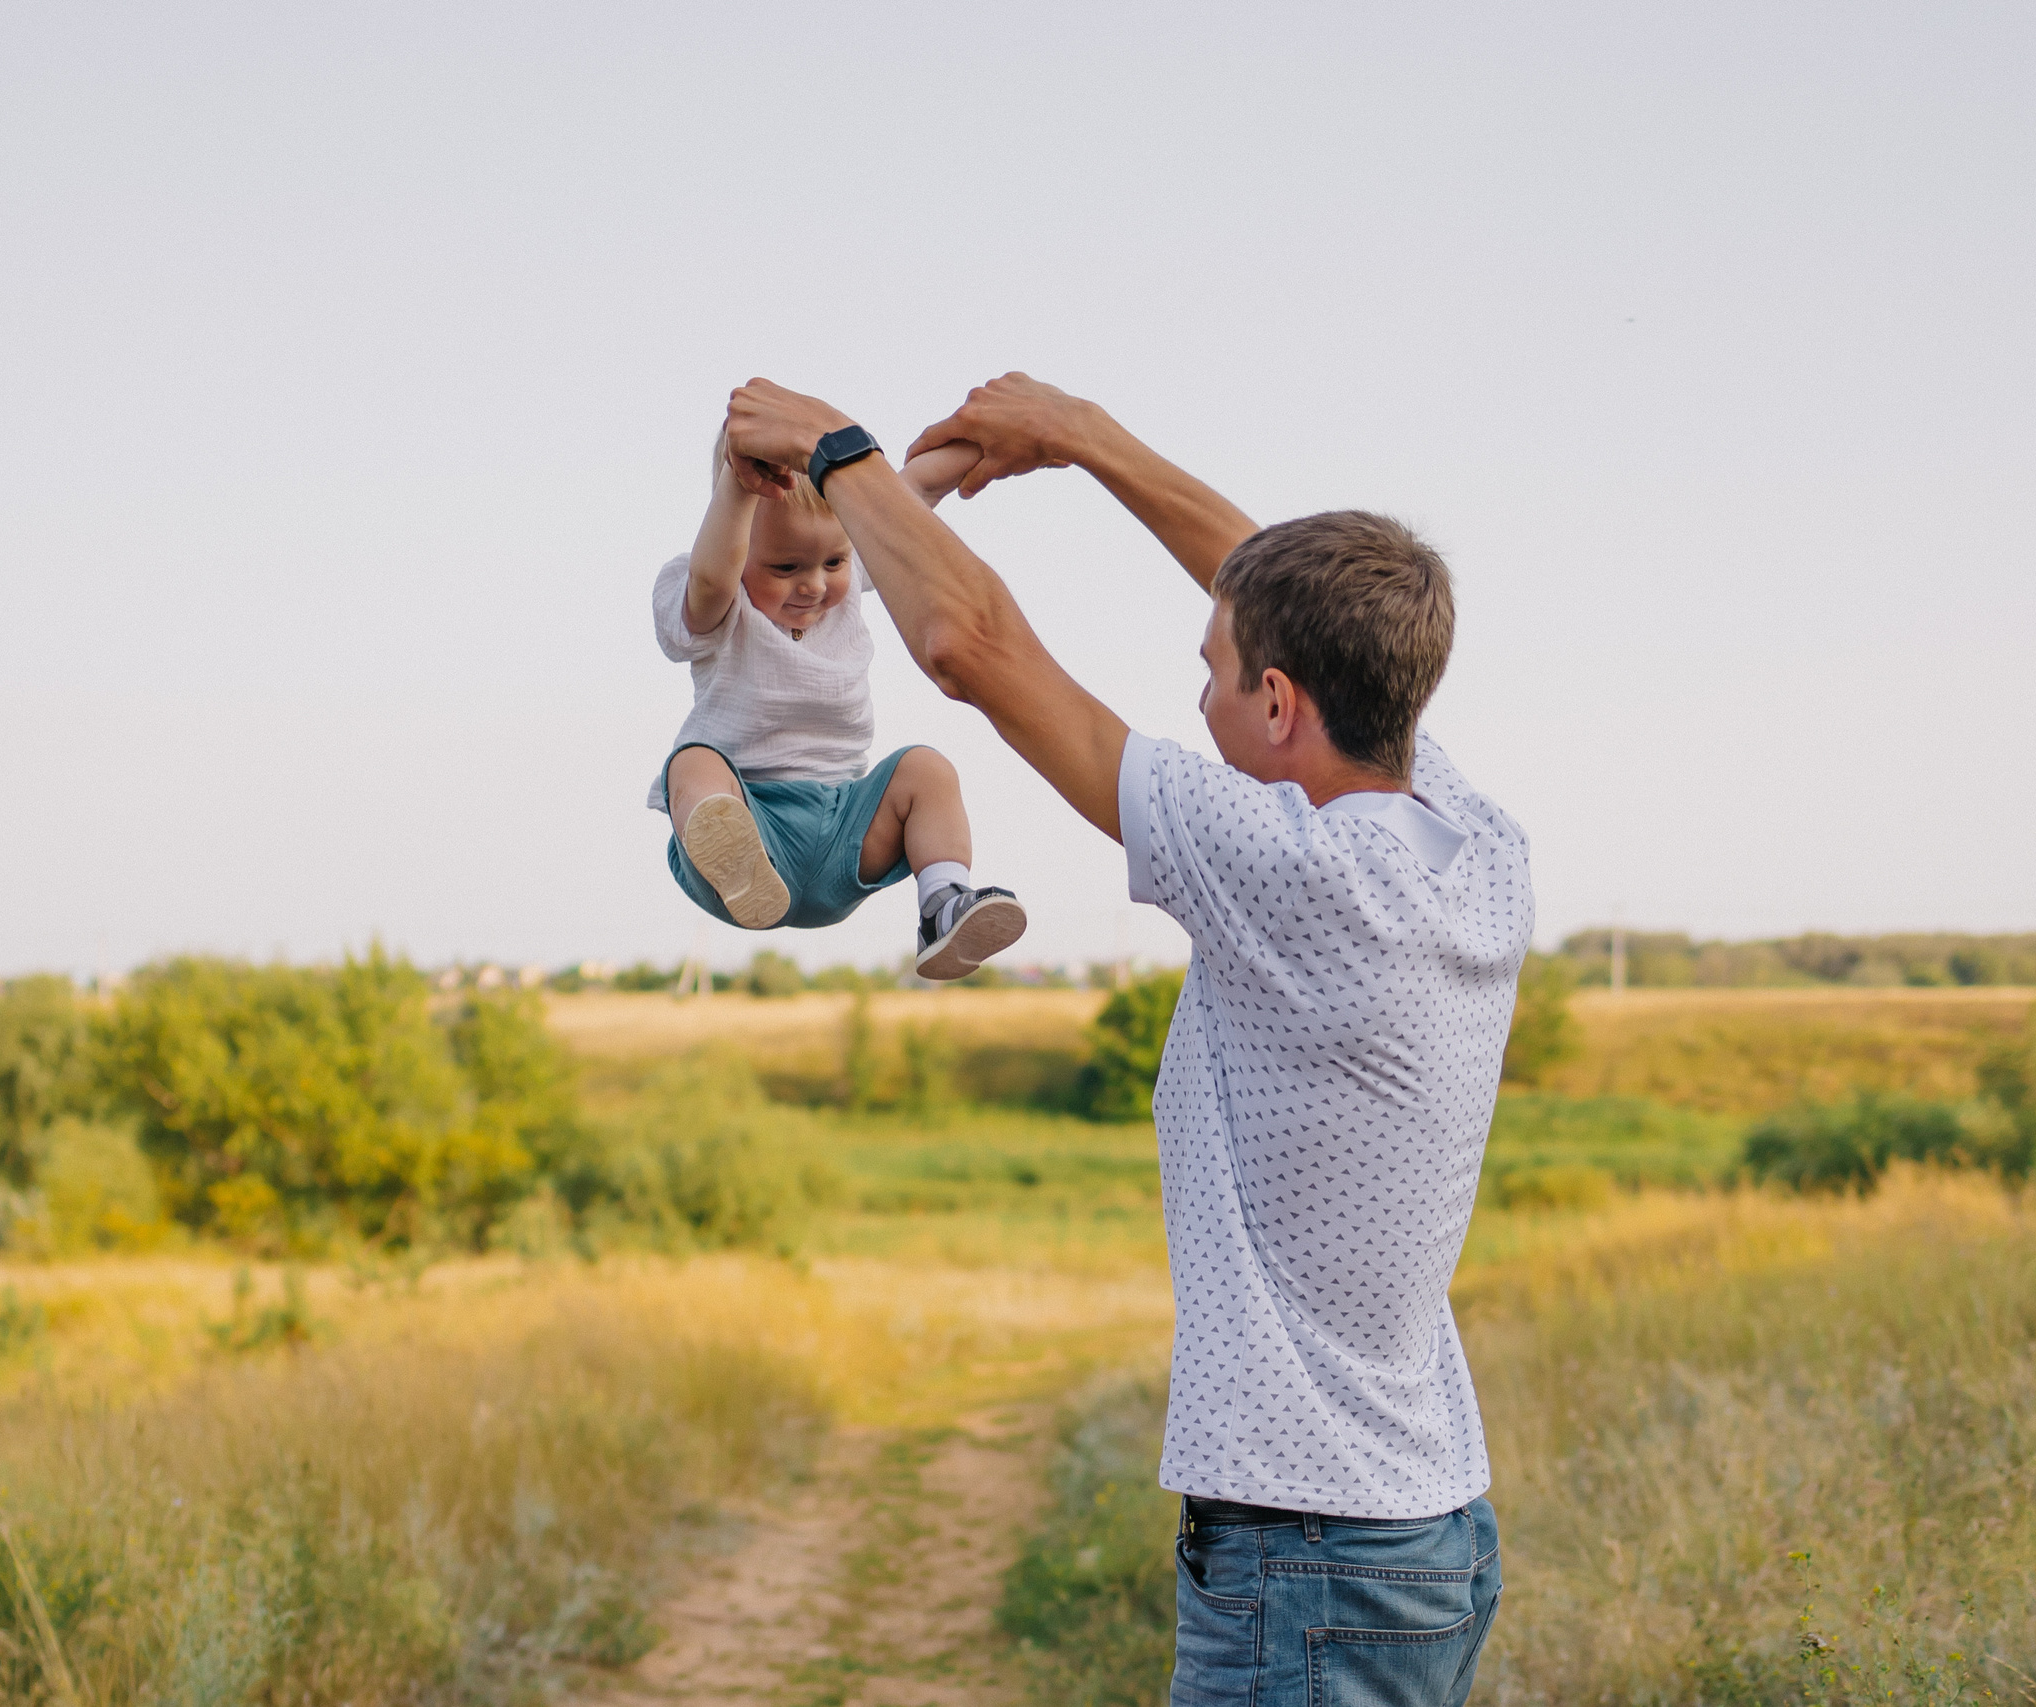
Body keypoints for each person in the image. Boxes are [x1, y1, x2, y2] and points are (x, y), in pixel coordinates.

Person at [723, 373, 1529, 1707]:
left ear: (1280, 706)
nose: (1195, 704)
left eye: (1210, 678)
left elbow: (973, 646)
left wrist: (836, 452)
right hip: (1410, 1526)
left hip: (1311, 1562)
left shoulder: (1295, 872)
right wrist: (1086, 442)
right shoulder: (1467, 838)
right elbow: (1296, 604)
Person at [648, 423, 1029, 979]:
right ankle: (733, 859)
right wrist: (738, 482)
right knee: (693, 762)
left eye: (833, 563)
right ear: (734, 547)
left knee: (926, 769)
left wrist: (992, 439)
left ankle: (942, 904)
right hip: (750, 816)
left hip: (841, 836)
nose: (814, 585)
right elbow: (711, 577)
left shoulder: (845, 586)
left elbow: (909, 496)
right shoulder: (715, 601)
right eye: (785, 568)